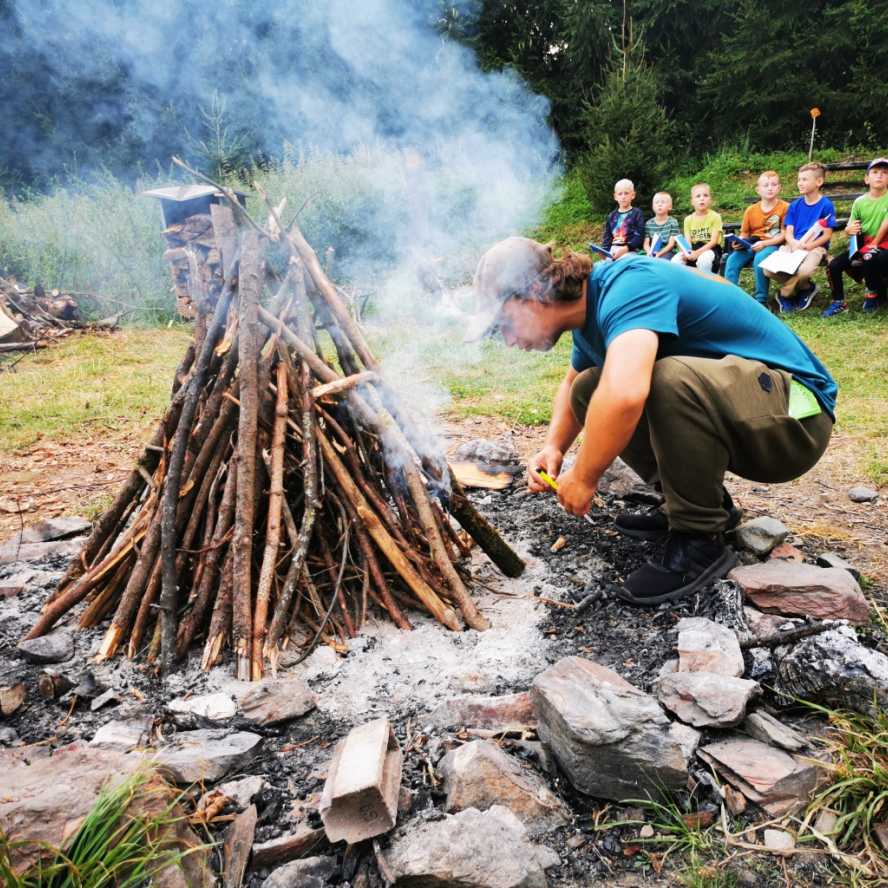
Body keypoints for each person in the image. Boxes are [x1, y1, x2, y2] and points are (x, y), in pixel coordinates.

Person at [467, 237, 836, 606]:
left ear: (534, 290)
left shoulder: (629, 285)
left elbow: (626, 394)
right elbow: (572, 385)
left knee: (663, 379)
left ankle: (698, 538)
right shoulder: (589, 314)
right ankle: (695, 505)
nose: (508, 340)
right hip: (752, 410)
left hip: (797, 418)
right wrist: (553, 447)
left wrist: (584, 477)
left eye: (504, 323)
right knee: (588, 386)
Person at [763, 162, 836, 313]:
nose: (800, 183)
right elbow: (789, 231)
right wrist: (794, 243)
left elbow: (827, 234)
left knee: (804, 271)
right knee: (768, 270)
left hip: (815, 247)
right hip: (793, 245)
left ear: (818, 182)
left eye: (804, 179)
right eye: (799, 179)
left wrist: (810, 246)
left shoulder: (826, 205)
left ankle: (786, 294)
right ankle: (806, 288)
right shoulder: (795, 205)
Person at [822, 157, 888, 317]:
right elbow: (849, 228)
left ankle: (874, 294)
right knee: (834, 265)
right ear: (867, 179)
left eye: (885, 173)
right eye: (875, 172)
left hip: (884, 244)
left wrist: (876, 243)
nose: (879, 175)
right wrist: (849, 230)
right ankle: (839, 302)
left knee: (868, 256)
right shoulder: (859, 202)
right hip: (866, 244)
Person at [724, 170, 788, 305]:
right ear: (758, 190)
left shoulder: (785, 207)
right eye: (766, 185)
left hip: (772, 244)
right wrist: (739, 242)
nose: (770, 188)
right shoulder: (751, 210)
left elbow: (784, 234)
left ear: (779, 188)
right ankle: (730, 297)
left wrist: (765, 244)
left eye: (773, 184)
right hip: (752, 244)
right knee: (732, 260)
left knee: (759, 259)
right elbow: (745, 234)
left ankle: (761, 300)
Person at [671, 183, 723, 274]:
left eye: (705, 195)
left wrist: (697, 253)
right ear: (692, 201)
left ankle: (705, 285)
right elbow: (688, 242)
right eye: (698, 196)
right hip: (693, 248)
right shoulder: (688, 219)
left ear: (710, 200)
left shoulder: (715, 217)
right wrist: (687, 253)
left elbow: (713, 242)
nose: (702, 198)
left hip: (710, 249)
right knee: (676, 261)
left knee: (704, 260)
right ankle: (683, 286)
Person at [601, 179, 645, 259]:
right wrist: (604, 251)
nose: (623, 196)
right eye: (620, 194)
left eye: (626, 193)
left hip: (630, 250)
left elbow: (640, 236)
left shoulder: (637, 213)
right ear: (615, 197)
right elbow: (607, 236)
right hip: (613, 251)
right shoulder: (611, 216)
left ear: (633, 195)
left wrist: (627, 248)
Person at [643, 192, 681, 260]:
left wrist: (659, 254)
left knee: (662, 261)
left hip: (667, 251)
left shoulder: (673, 222)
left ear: (670, 207)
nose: (659, 204)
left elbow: (671, 244)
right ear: (652, 206)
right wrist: (649, 252)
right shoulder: (648, 223)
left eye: (663, 202)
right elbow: (646, 244)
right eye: (656, 202)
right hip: (652, 251)